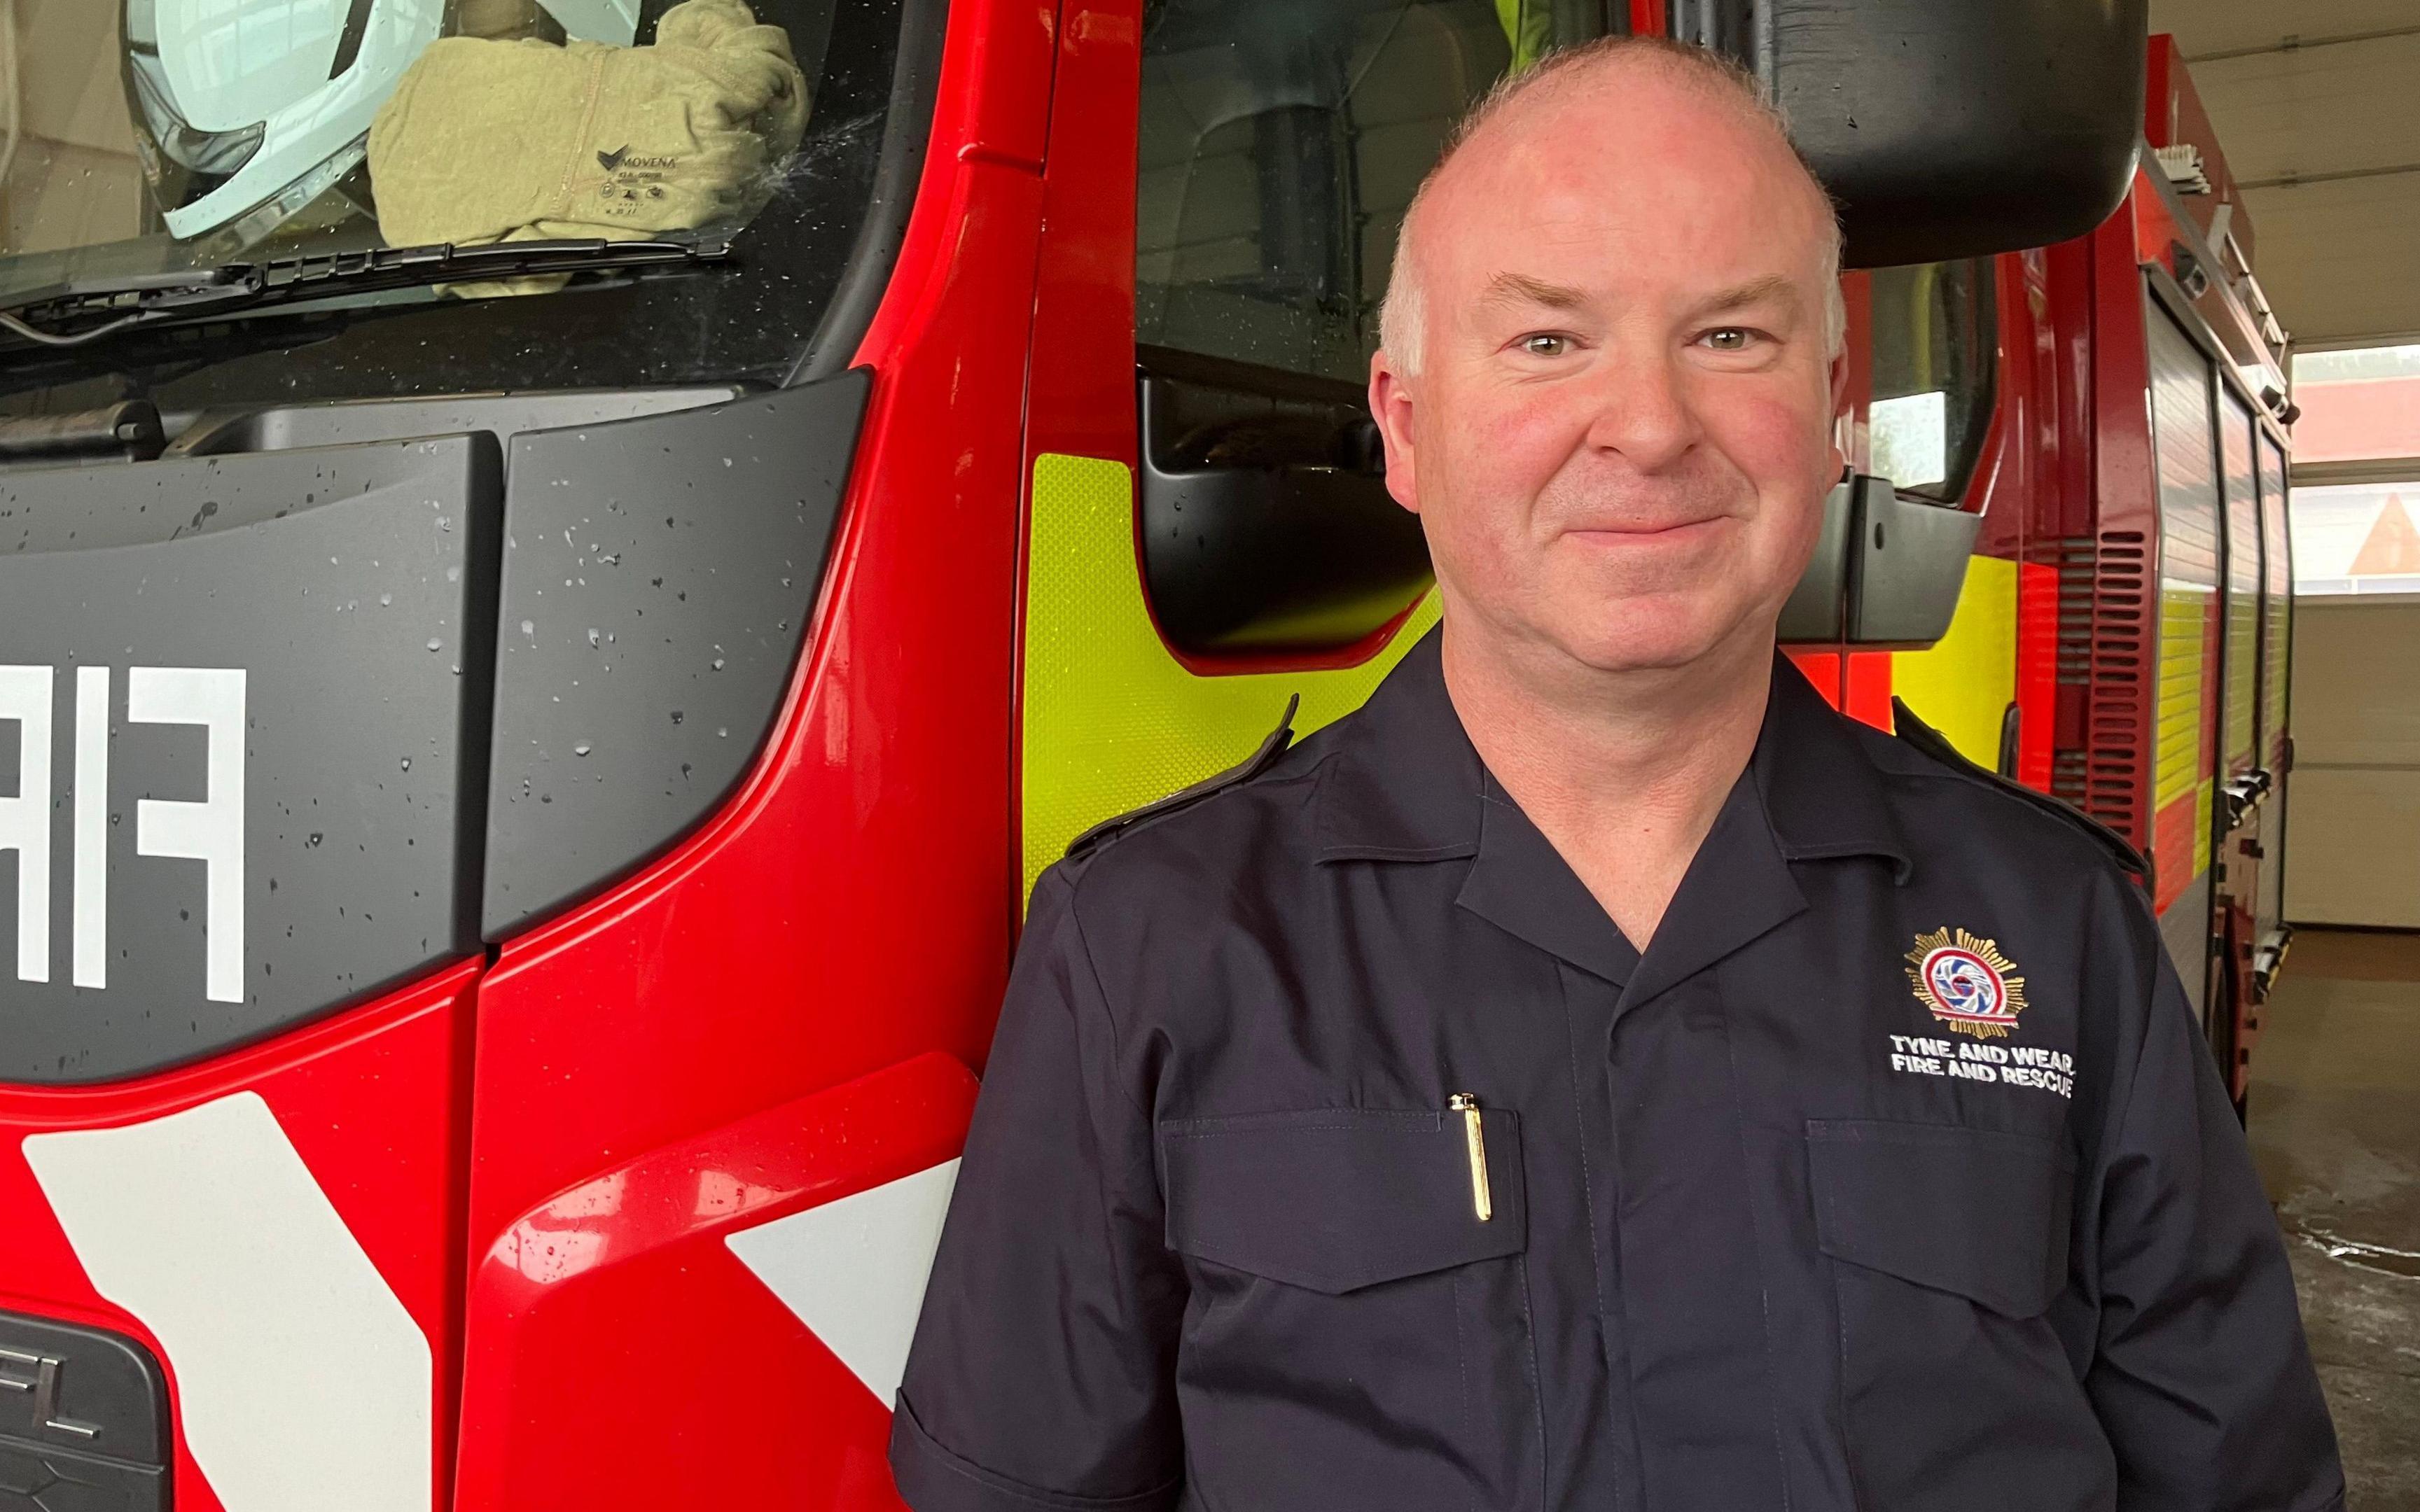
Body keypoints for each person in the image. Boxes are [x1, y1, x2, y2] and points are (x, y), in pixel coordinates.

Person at [889, 34, 2344, 1512]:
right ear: (1404, 426)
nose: (1648, 428)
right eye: (1545, 341)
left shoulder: (2054, 930)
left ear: (1836, 413)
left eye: (1731, 336)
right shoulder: (1148, 948)